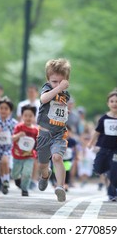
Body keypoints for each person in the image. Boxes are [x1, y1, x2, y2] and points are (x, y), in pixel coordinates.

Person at [36, 58, 71, 202]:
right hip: (44, 133)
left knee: (57, 157)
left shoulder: (66, 95)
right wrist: (57, 88)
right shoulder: (47, 88)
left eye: (60, 81)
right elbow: (44, 99)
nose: (57, 84)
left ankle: (60, 187)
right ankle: (45, 174)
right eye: (54, 81)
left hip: (59, 133)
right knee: (42, 165)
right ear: (48, 80)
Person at [88, 88, 117, 202]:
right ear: (108, 103)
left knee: (115, 171)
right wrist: (90, 143)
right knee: (98, 168)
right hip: (103, 148)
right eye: (112, 101)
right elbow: (97, 131)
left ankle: (113, 193)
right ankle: (106, 171)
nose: (115, 104)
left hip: (116, 150)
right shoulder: (104, 118)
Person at [11, 105, 38, 196]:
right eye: (25, 115)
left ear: (34, 117)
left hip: (29, 155)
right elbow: (12, 138)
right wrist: (18, 135)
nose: (28, 118)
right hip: (17, 155)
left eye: (30, 116)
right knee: (14, 174)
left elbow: (37, 143)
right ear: (22, 116)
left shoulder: (35, 130)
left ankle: (25, 189)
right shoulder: (19, 127)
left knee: (27, 173)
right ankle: (17, 180)